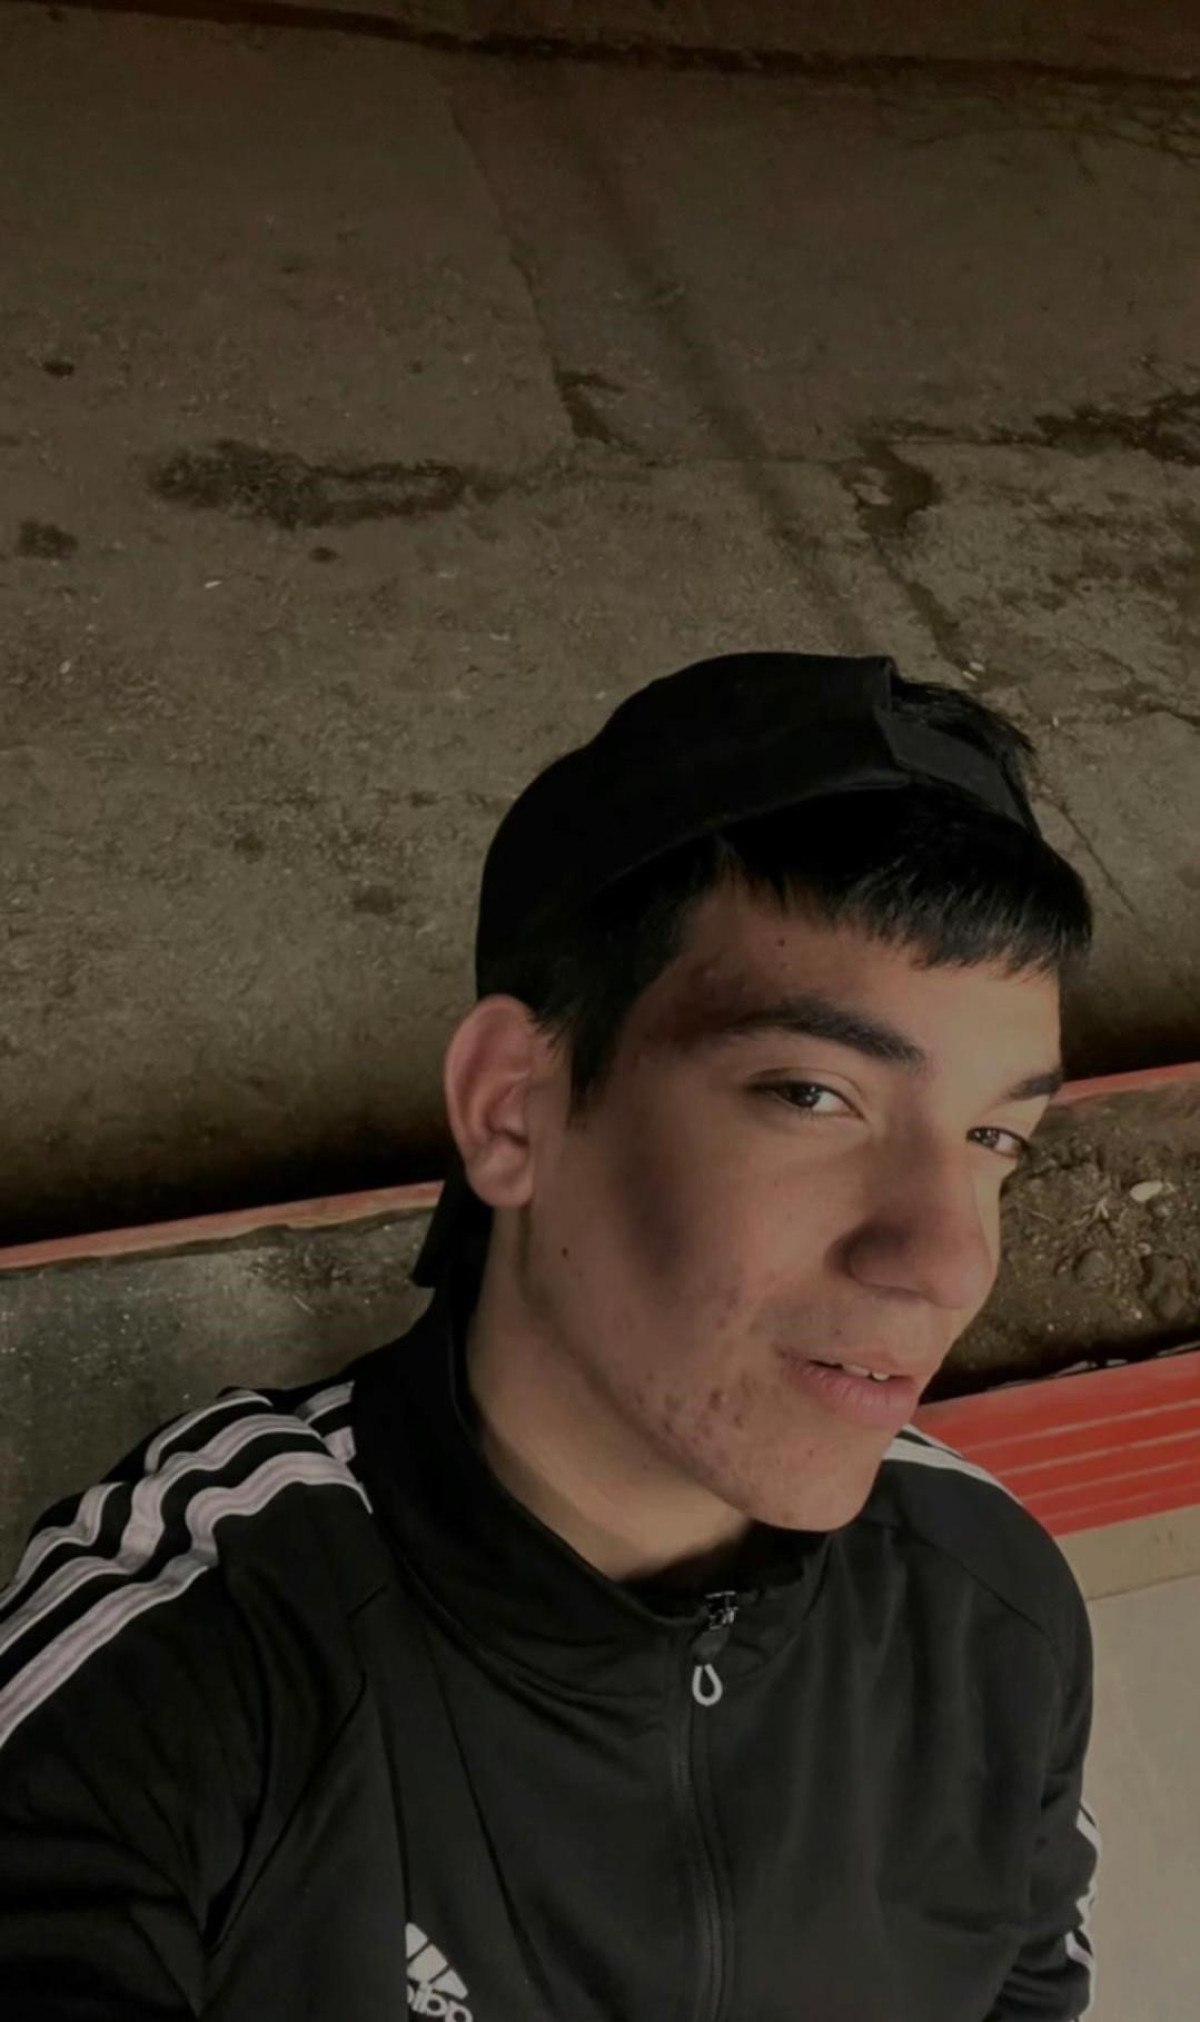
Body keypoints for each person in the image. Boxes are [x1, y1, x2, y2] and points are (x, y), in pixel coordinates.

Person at [0, 653, 1099, 2021]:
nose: (946, 1259)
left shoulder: (991, 1614)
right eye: (813, 1094)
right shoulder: (195, 1658)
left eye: (997, 1136)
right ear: (512, 1107)